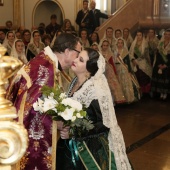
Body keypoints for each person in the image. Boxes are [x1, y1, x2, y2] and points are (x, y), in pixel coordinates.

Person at [6, 33, 82, 170]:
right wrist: (56, 122)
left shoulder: (47, 63)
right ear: (67, 51)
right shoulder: (45, 69)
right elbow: (31, 108)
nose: (78, 58)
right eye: (78, 53)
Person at [57, 48, 132, 170]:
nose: (75, 60)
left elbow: (103, 124)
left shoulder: (96, 90)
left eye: (80, 60)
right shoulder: (74, 82)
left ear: (89, 69)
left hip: (90, 146)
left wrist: (73, 131)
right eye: (77, 57)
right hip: (70, 144)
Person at [114, 38, 140, 103]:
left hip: (124, 69)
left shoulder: (125, 52)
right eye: (118, 43)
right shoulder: (114, 51)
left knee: (125, 84)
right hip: (116, 69)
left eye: (121, 43)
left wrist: (129, 70)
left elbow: (128, 62)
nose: (120, 44)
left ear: (123, 44)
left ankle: (126, 98)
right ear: (116, 44)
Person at [129, 30, 152, 95]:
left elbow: (146, 55)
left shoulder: (145, 43)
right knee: (137, 77)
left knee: (144, 77)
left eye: (140, 35)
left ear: (142, 36)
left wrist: (148, 62)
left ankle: (145, 92)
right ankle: (139, 92)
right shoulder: (133, 43)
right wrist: (133, 60)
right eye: (137, 35)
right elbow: (130, 53)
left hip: (143, 63)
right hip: (135, 63)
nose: (138, 36)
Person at [151, 29, 170, 100]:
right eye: (166, 34)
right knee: (160, 78)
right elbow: (158, 54)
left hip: (167, 65)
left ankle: (165, 93)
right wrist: (159, 64)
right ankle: (160, 93)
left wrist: (166, 65)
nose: (167, 36)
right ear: (164, 35)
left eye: (169, 34)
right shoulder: (160, 43)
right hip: (159, 63)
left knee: (166, 79)